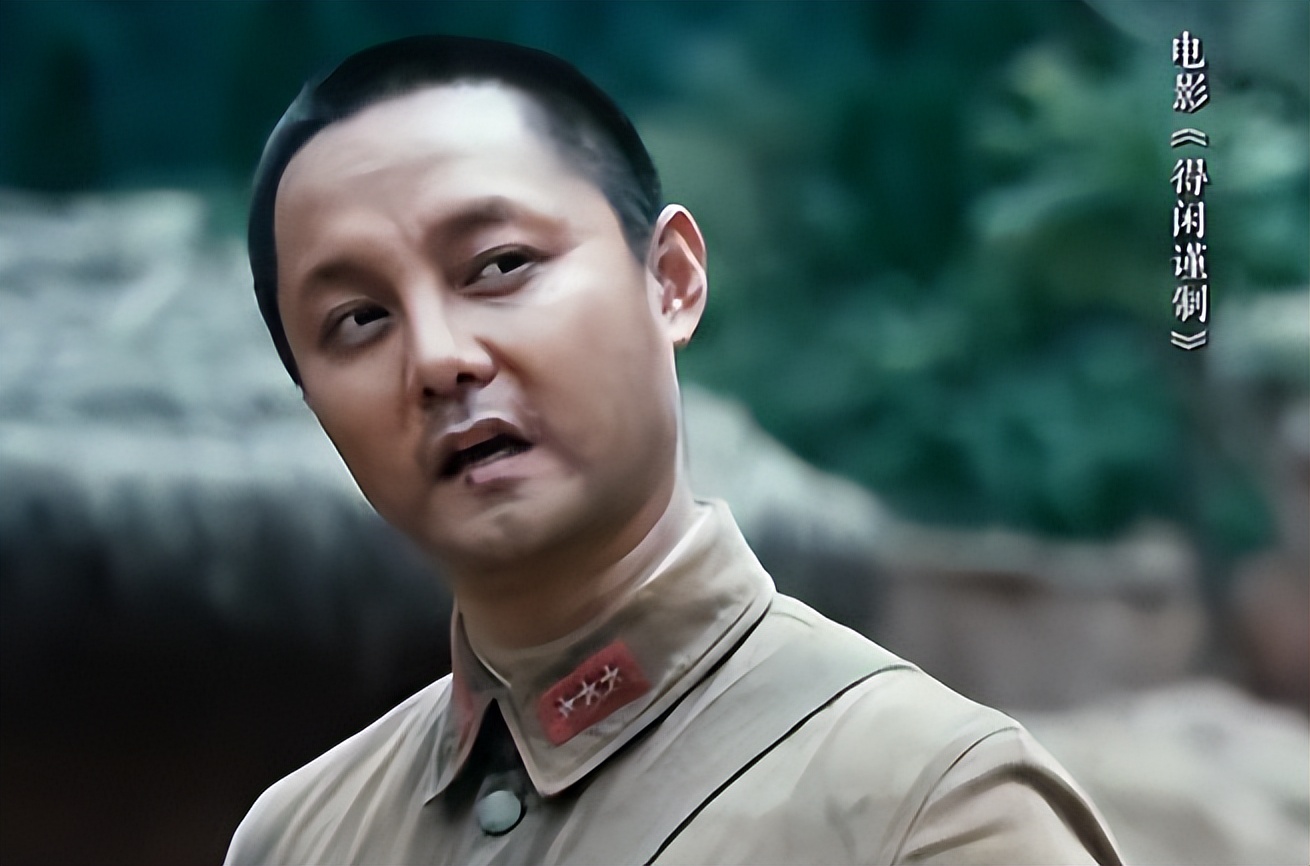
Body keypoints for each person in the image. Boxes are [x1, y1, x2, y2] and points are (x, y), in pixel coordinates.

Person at [226, 35, 1123, 866]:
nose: (437, 358)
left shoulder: (933, 803)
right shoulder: (299, 839)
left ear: (672, 280)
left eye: (499, 266)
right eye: (358, 320)